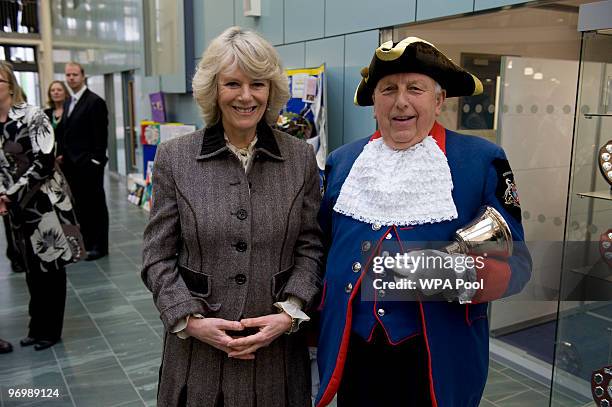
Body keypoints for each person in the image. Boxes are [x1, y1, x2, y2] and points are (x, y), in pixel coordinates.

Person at [315, 37, 532, 407]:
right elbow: (321, 249)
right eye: (388, 90)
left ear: (438, 100)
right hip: (354, 352)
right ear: (374, 104)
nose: (401, 101)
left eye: (415, 88)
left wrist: (444, 275)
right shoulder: (344, 161)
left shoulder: (480, 160)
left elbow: (518, 263)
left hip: (437, 355)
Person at [142, 26, 323, 407]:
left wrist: (289, 313)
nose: (246, 96)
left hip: (275, 353)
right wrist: (189, 321)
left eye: (257, 84)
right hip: (198, 353)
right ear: (213, 90)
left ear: (271, 90)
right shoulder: (175, 158)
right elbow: (157, 256)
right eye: (232, 84)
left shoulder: (299, 158)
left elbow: (310, 247)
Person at [0, 61, 81, 351]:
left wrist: (9, 192)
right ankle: (36, 327)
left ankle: (51, 330)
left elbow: (45, 162)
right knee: (32, 271)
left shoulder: (33, 115)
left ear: (10, 84)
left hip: (44, 203)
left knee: (51, 267)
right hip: (15, 210)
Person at [56, 62, 109, 261]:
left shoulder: (94, 102)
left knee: (96, 206)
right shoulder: (70, 102)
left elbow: (100, 136)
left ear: (83, 76)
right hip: (72, 166)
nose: (71, 78)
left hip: (88, 165)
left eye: (75, 74)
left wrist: (96, 162)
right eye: (68, 75)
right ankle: (86, 242)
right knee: (81, 207)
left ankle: (100, 246)